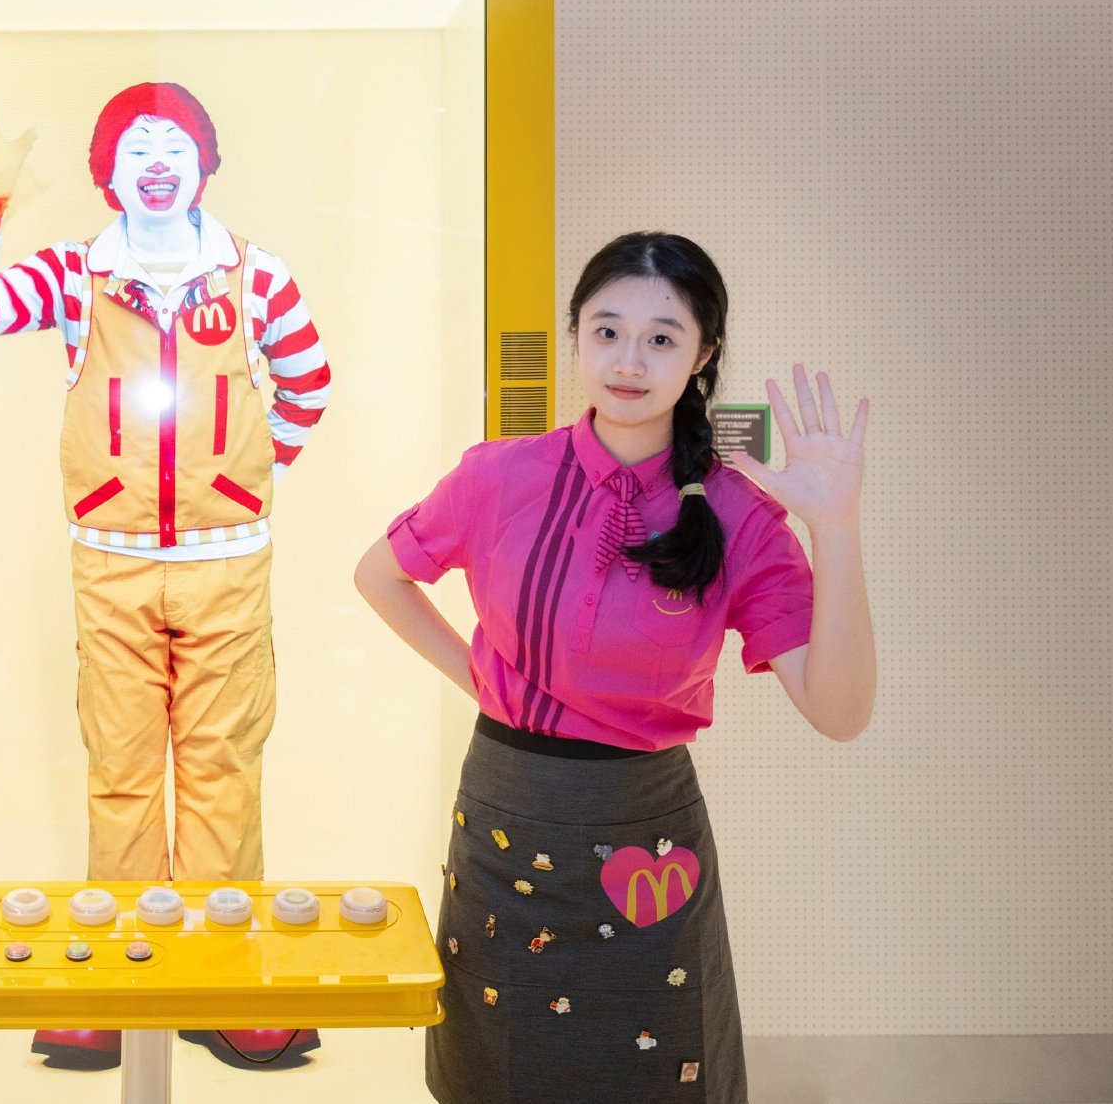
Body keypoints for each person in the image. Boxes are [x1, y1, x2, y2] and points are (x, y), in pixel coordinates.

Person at [354, 232, 875, 1103]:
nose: (629, 361)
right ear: (576, 337)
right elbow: (381, 575)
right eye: (607, 331)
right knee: (496, 1073)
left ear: (703, 355)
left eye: (662, 338)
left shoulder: (739, 512)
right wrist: (484, 680)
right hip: (507, 824)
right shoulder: (499, 475)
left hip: (647, 840)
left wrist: (838, 527)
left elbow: (840, 711)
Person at [0, 85, 330, 1068]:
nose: (156, 162)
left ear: (205, 163)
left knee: (222, 773)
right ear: (107, 172)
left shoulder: (257, 275)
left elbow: (308, 384)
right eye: (136, 147)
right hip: (109, 563)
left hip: (225, 568)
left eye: (174, 144)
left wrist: (247, 480)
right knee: (118, 771)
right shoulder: (76, 274)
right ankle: (113, 983)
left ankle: (220, 983)